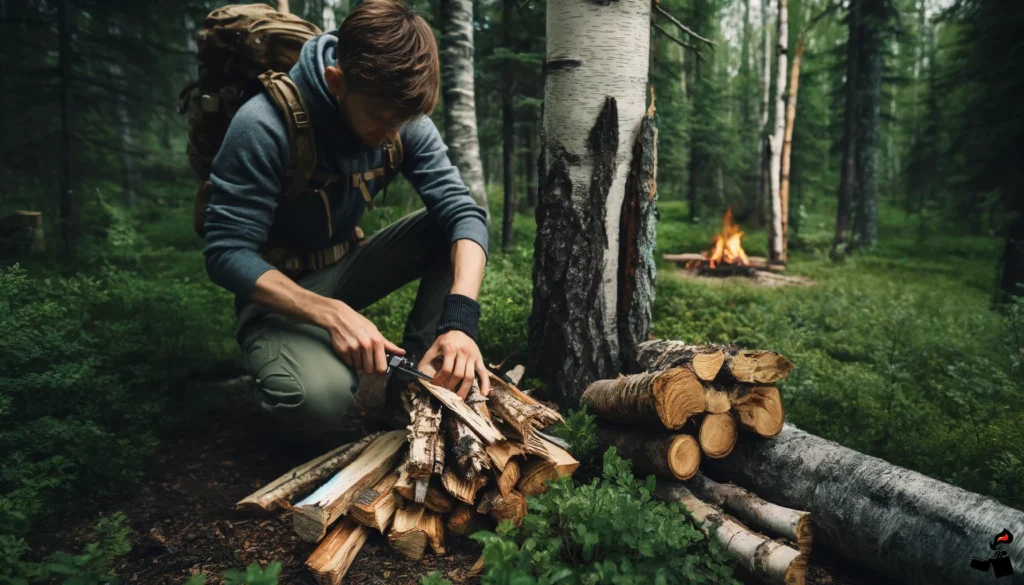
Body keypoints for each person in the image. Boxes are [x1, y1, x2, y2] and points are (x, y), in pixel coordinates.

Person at [201, 0, 490, 436]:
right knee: (317, 401)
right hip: (277, 291)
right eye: (379, 118)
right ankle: (293, 360)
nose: (394, 134)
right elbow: (225, 253)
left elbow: (463, 212)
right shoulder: (263, 125)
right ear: (337, 83)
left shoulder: (398, 113)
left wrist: (460, 321)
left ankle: (414, 396)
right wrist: (330, 314)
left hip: (347, 267)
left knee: (446, 230)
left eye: (405, 121)